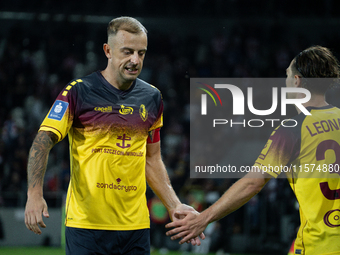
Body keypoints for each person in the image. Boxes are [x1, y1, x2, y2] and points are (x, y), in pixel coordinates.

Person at [24, 16, 203, 255]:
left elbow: (152, 159)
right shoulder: (78, 91)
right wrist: (34, 194)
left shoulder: (152, 98)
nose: (135, 60)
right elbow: (42, 141)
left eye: (141, 53)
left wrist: (174, 205)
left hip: (136, 228)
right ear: (107, 50)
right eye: (127, 52)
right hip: (87, 227)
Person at [166, 45, 340, 255]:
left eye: (287, 75)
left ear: (297, 82)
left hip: (320, 246)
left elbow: (252, 183)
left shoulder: (293, 130)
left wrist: (203, 219)